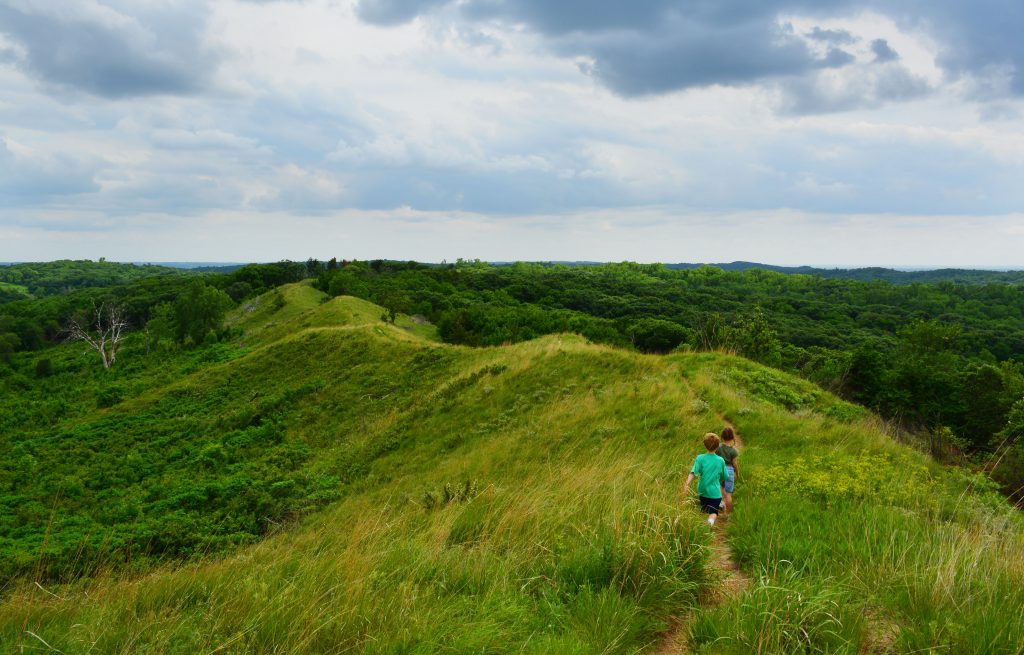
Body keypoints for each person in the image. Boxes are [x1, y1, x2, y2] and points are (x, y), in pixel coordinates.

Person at [685, 432, 728, 526]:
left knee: (704, 510)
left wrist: (687, 484)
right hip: (715, 492)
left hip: (702, 491)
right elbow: (725, 476)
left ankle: (703, 526)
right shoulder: (720, 460)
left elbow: (693, 472)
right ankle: (709, 523)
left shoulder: (700, 458)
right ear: (718, 446)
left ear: (705, 445)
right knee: (713, 512)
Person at [716, 426, 740, 514]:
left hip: (720, 470)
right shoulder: (733, 451)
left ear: (722, 437)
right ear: (733, 437)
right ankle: (728, 514)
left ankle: (721, 504)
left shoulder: (718, 448)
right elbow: (735, 464)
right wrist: (737, 473)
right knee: (729, 494)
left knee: (721, 488)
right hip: (729, 471)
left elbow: (716, 459)